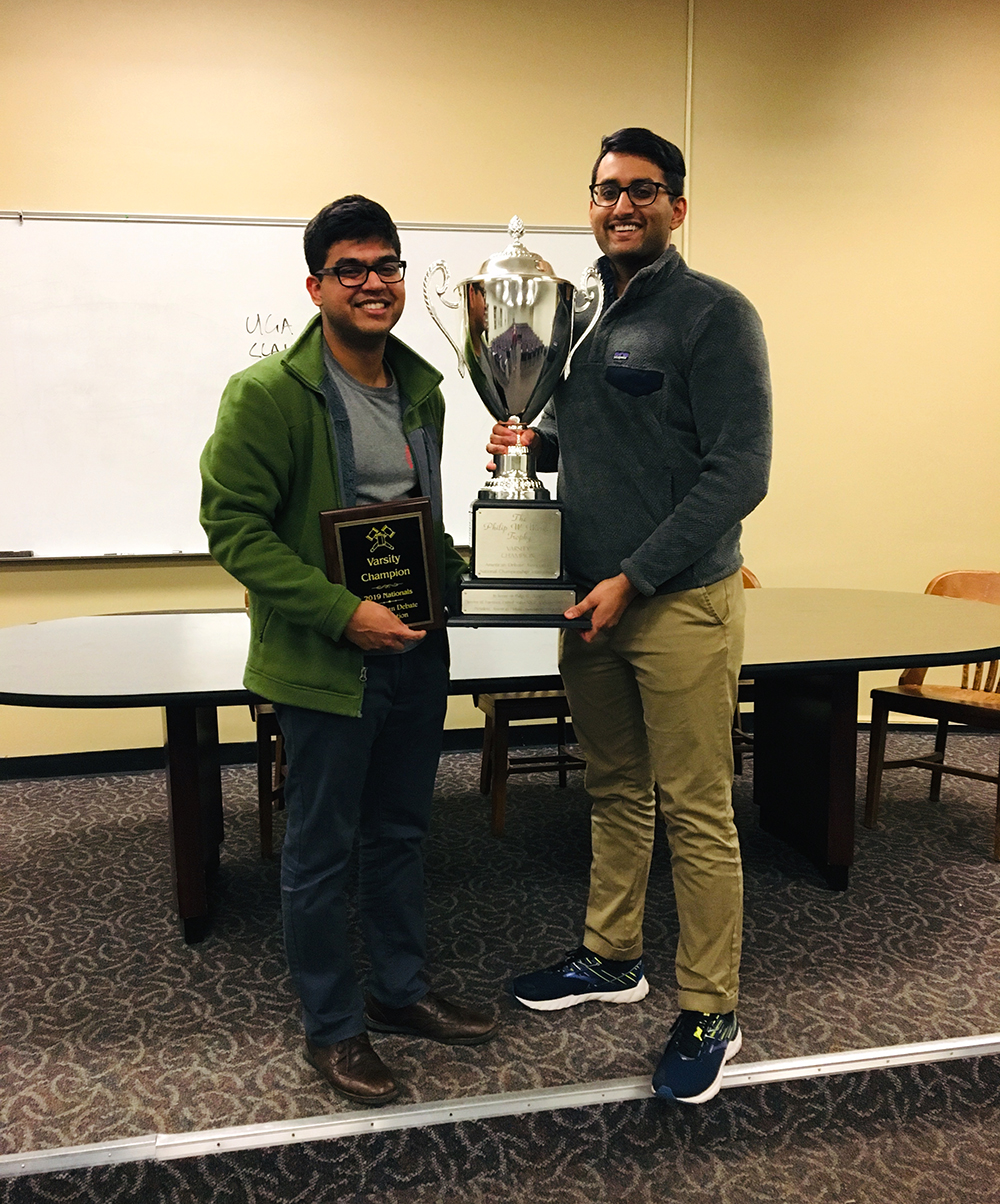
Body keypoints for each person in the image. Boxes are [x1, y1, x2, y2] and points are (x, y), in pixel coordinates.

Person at [490, 129, 772, 1104]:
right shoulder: (569, 316)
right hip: (587, 607)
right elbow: (584, 440)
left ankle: (710, 1007)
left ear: (676, 207)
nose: (621, 205)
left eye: (642, 191)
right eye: (606, 190)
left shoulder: (713, 315)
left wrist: (636, 577)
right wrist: (523, 439)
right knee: (615, 788)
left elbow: (740, 470)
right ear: (591, 201)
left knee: (696, 808)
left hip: (678, 601)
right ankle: (613, 956)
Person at [201, 195, 497, 1107]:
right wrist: (340, 613)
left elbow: (421, 530)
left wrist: (496, 569)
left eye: (387, 266)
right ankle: (333, 1029)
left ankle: (399, 990)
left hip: (415, 655)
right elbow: (233, 529)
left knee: (403, 834)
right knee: (320, 850)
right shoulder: (266, 396)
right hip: (326, 663)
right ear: (317, 285)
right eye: (352, 269)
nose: (374, 283)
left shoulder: (423, 391)